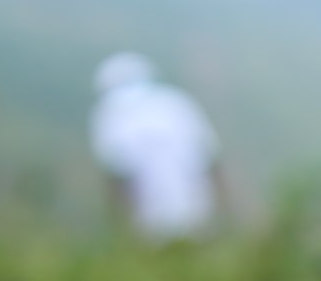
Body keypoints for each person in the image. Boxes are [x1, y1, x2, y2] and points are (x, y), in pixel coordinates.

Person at [88, 52, 222, 243]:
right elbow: (212, 163)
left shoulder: (109, 116)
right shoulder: (178, 103)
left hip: (148, 231)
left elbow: (116, 180)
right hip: (199, 221)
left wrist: (120, 233)